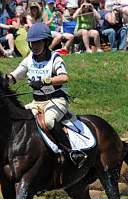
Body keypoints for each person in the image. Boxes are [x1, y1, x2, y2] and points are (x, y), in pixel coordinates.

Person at [5, 23, 85, 165]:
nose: (35, 46)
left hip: (56, 100)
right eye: (32, 43)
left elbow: (64, 77)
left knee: (48, 121)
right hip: (37, 102)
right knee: (20, 119)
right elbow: (15, 76)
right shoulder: (29, 59)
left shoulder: (56, 58)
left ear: (46, 42)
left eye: (38, 42)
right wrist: (4, 81)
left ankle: (71, 152)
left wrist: (45, 81)